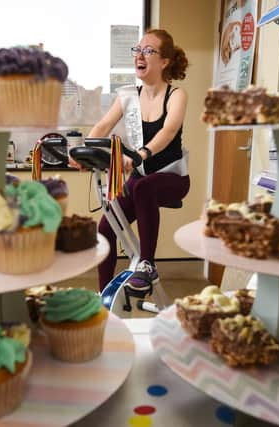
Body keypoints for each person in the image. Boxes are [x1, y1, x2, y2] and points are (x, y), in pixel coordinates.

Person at [72, 29, 190, 291]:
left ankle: (147, 264)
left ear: (165, 61)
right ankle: (103, 295)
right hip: (140, 179)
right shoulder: (128, 95)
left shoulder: (176, 95)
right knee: (105, 227)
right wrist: (82, 152)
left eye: (149, 50)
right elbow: (102, 126)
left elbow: (168, 131)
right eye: (137, 49)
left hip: (173, 177)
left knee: (143, 186)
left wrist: (140, 155)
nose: (140, 54)